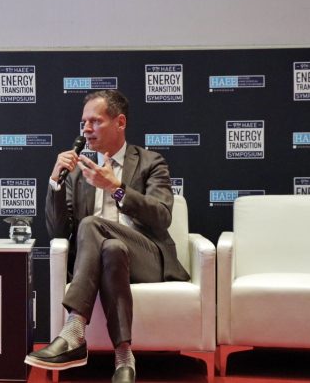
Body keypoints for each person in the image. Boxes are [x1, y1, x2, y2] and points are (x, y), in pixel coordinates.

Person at [24, 90, 189, 383]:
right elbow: (58, 232)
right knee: (111, 248)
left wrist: (116, 188)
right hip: (106, 262)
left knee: (91, 224)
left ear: (120, 122)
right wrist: (55, 181)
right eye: (84, 122)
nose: (86, 129)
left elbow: (162, 216)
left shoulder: (151, 162)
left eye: (95, 121)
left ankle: (74, 331)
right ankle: (124, 359)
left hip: (146, 259)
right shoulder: (78, 173)